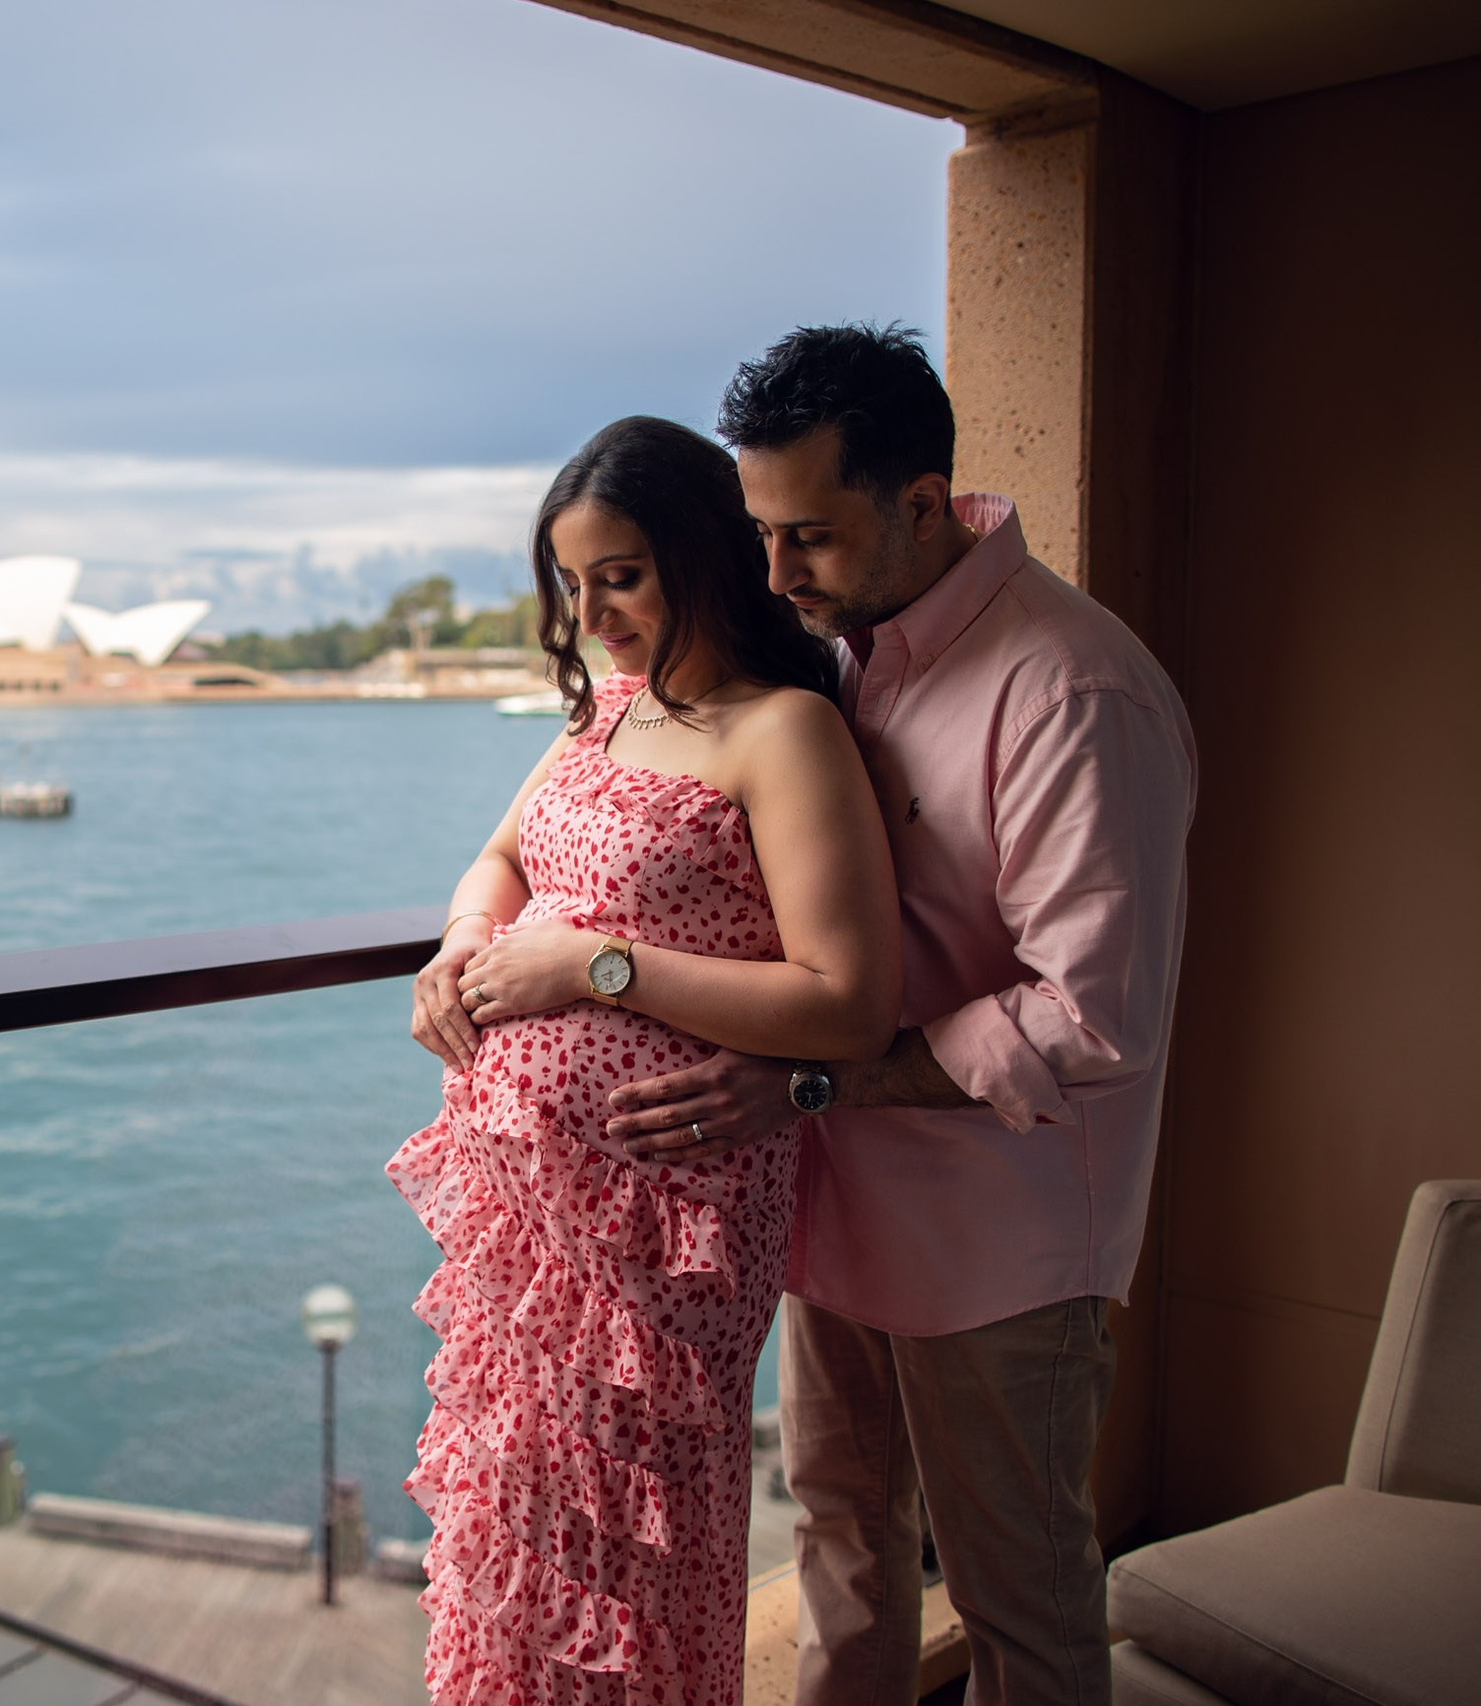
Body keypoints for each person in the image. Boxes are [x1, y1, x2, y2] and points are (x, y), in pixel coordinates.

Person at [598, 326, 1196, 1706]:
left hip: (1006, 1243)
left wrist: (813, 1083)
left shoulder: (1075, 689)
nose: (772, 573)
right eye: (758, 532)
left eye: (805, 534)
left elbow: (1098, 1016)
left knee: (1019, 1602)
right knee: (844, 1557)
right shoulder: (837, 652)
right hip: (835, 1209)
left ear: (923, 502)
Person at [396, 415, 902, 1705]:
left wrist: (590, 964)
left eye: (619, 574)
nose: (593, 612)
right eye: (573, 584)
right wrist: (462, 944)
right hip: (523, 1230)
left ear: (702, 554)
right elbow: (503, 856)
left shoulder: (781, 732)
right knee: (516, 1519)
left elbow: (847, 1001)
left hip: (668, 1222)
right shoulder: (609, 714)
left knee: (625, 1539)